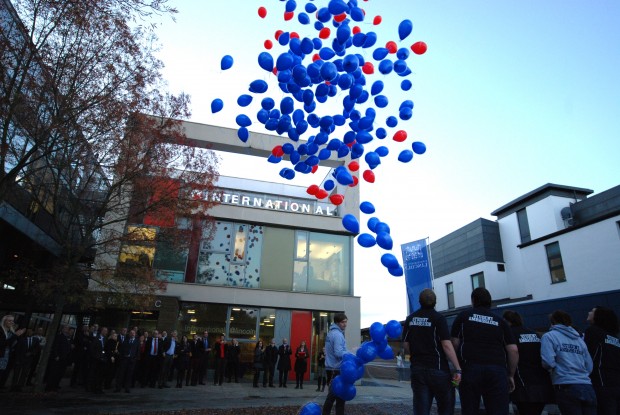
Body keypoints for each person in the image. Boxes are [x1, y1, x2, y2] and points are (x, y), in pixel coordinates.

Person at [451, 287, 518, 415]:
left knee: (469, 409)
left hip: (469, 368)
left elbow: (454, 343)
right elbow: (513, 350)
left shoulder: (464, 316)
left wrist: (456, 367)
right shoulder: (500, 321)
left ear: (473, 300)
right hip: (497, 370)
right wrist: (510, 374)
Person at [403, 288, 462, 415]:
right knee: (445, 409)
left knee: (421, 409)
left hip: (418, 369)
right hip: (438, 369)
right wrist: (457, 368)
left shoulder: (411, 318)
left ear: (419, 301)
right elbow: (446, 345)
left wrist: (414, 355)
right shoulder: (438, 318)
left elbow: (406, 345)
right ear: (435, 302)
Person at [541, 310, 596, 415]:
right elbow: (589, 365)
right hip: (587, 386)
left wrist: (554, 370)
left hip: (565, 385)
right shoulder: (579, 340)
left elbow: (548, 362)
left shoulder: (549, 336)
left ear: (552, 322)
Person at [502, 310, 554, 415]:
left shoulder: (509, 334)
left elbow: (513, 352)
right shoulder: (535, 334)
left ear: (507, 322)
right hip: (542, 384)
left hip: (522, 384)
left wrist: (510, 374)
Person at [584, 306, 620, 415]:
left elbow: (588, 357)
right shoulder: (614, 337)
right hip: (616, 382)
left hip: (601, 383)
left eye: (592, 311)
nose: (589, 312)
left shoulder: (593, 331)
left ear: (598, 316)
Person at [322, 312, 348, 415]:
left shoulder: (331, 333)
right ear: (337, 322)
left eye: (346, 322)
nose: (345, 324)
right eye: (343, 322)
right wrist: (349, 353)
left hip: (331, 368)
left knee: (332, 396)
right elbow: (338, 353)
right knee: (339, 398)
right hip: (336, 369)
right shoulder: (337, 335)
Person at [46, 324, 74, 392]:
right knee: (54, 372)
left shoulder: (67, 337)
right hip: (58, 357)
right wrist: (56, 355)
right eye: (66, 328)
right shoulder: (59, 336)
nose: (67, 330)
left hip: (64, 358)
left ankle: (55, 385)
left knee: (60, 373)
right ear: (63, 329)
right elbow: (55, 346)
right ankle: (50, 386)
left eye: (68, 329)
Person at [0, 314, 25, 389]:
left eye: (12, 321)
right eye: (9, 320)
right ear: (4, 321)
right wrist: (15, 335)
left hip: (7, 357)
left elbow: (13, 344)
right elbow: (3, 343)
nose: (11, 322)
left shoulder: (11, 332)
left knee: (3, 374)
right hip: (1, 355)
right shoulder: (0, 330)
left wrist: (17, 336)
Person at [115, 329, 139, 393]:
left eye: (133, 333)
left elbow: (138, 352)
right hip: (124, 360)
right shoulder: (125, 340)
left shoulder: (137, 342)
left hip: (131, 361)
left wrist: (134, 359)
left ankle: (127, 388)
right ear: (129, 334)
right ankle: (118, 388)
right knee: (121, 374)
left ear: (135, 334)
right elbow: (122, 350)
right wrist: (122, 358)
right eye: (131, 333)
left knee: (129, 375)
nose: (132, 334)